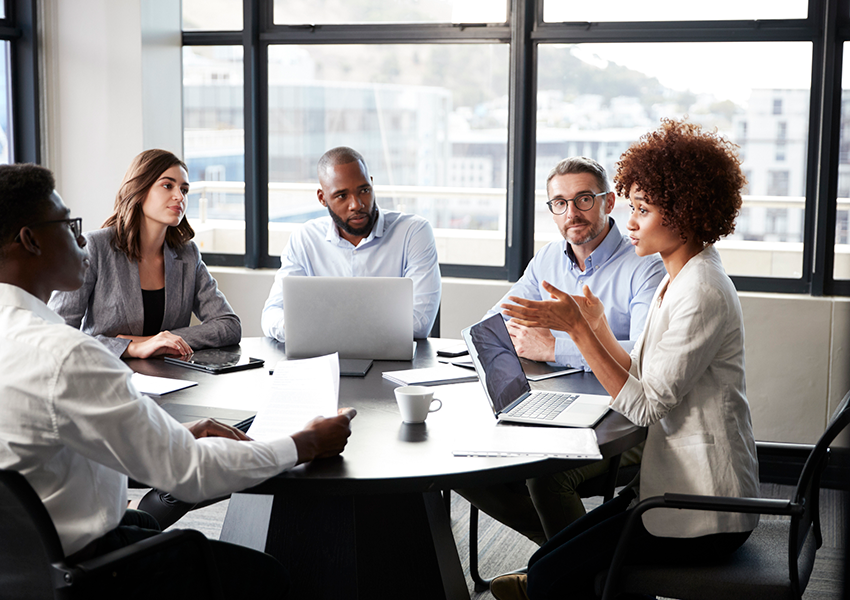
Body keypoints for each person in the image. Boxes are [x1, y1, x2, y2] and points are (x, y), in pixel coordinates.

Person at [0, 163, 356, 598]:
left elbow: (37, 438)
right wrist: (306, 443)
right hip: (89, 571)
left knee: (145, 520)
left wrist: (169, 433)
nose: (81, 238)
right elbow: (190, 473)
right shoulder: (67, 354)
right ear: (30, 240)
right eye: (68, 225)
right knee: (266, 575)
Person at [490, 119, 760, 600]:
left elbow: (643, 406)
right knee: (546, 562)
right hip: (669, 488)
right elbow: (642, 369)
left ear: (686, 213)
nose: (630, 223)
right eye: (631, 207)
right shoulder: (678, 277)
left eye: (642, 210)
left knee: (553, 575)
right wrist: (595, 328)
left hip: (702, 508)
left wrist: (578, 331)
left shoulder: (700, 291)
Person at [458, 157, 665, 545]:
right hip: (560, 405)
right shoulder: (549, 258)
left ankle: (570, 568)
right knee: (464, 463)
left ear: (609, 201)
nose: (572, 212)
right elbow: (497, 322)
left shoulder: (645, 266)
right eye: (560, 203)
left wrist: (555, 347)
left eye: (584, 199)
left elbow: (641, 355)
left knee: (548, 473)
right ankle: (566, 561)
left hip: (629, 423)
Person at [49, 149, 240, 359]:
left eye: (184, 190)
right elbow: (57, 334)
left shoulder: (187, 254)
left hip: (172, 381)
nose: (179, 196)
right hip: (107, 377)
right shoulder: (95, 247)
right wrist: (131, 347)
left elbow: (229, 326)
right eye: (167, 186)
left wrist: (159, 340)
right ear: (139, 189)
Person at [261, 146, 441, 341]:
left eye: (364, 190)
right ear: (322, 198)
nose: (356, 204)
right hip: (323, 361)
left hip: (393, 365)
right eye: (342, 196)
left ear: (371, 184)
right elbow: (272, 313)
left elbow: (419, 323)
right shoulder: (305, 239)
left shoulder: (413, 232)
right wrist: (292, 327)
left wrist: (315, 329)